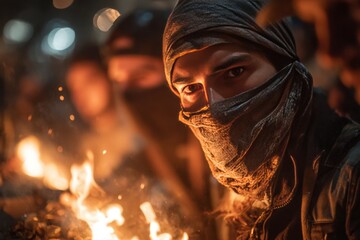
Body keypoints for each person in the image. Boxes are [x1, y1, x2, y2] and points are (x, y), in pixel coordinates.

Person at [162, 0, 360, 239]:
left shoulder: (350, 176)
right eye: (191, 88)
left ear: (282, 62)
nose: (214, 109)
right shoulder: (233, 187)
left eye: (234, 72)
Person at [103, 6, 217, 221]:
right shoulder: (144, 163)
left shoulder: (231, 147)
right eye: (119, 82)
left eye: (140, 77)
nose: (130, 94)